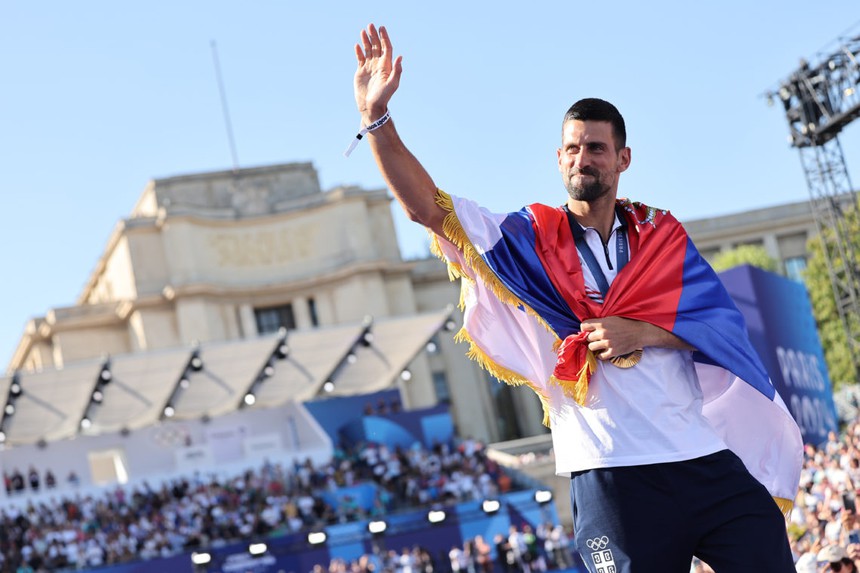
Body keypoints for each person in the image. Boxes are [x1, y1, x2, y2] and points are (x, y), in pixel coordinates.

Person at [350, 24, 803, 572]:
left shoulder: (661, 235)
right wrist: (377, 121)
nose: (581, 158)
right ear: (558, 158)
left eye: (595, 148)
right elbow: (428, 208)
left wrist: (646, 331)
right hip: (612, 476)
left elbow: (719, 326)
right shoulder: (526, 239)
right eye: (571, 148)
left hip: (701, 459)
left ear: (622, 158)